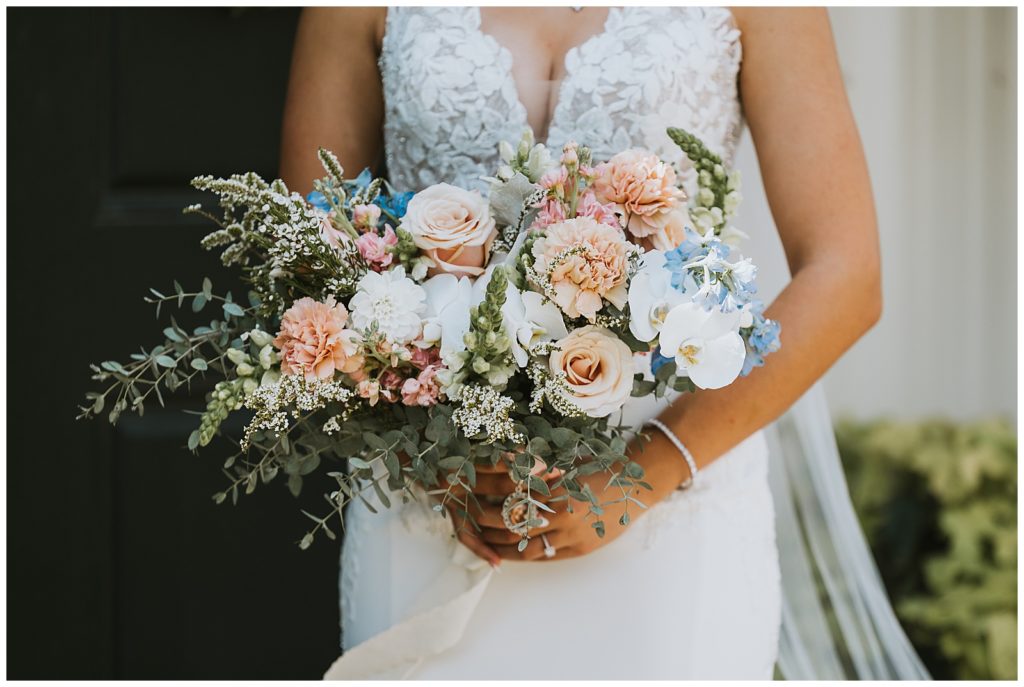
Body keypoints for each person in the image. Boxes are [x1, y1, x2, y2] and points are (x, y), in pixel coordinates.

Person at [279, 6, 901, 680]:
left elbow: (846, 275)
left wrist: (645, 475)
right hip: (437, 508)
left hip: (670, 512)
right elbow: (305, 264)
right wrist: (432, 449)